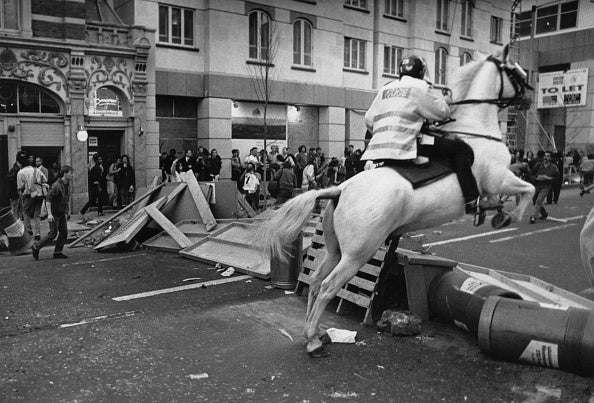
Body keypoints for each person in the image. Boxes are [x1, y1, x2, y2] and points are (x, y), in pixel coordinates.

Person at [363, 55, 486, 215]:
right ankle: (471, 200)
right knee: (461, 149)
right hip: (407, 145)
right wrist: (445, 101)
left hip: (378, 150)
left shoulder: (385, 89)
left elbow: (368, 119)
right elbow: (441, 113)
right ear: (421, 72)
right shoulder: (420, 86)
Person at [31, 165, 73, 260]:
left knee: (63, 232)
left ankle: (58, 252)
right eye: (71, 173)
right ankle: (36, 247)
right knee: (53, 234)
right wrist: (49, 213)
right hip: (54, 213)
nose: (72, 175)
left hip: (61, 213)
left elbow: (66, 199)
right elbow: (48, 199)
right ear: (65, 174)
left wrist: (68, 212)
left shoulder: (67, 185)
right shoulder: (56, 185)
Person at [17, 155, 47, 238]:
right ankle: (37, 233)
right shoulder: (36, 170)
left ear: (20, 164)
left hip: (29, 195)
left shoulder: (20, 172)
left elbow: (20, 187)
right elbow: (45, 179)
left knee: (25, 211)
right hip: (39, 194)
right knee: (37, 215)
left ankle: (29, 230)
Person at [529, 151, 559, 224]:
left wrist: (548, 178)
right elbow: (531, 175)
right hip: (537, 185)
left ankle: (533, 217)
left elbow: (557, 178)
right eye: (545, 156)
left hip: (546, 186)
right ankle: (544, 214)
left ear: (551, 158)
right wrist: (536, 178)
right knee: (535, 200)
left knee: (539, 201)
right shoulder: (538, 165)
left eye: (548, 156)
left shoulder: (554, 167)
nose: (545, 157)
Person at [7, 151, 26, 219]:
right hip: (15, 194)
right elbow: (9, 178)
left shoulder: (17, 168)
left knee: (18, 210)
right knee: (16, 211)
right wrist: (18, 186)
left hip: (16, 194)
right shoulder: (16, 169)